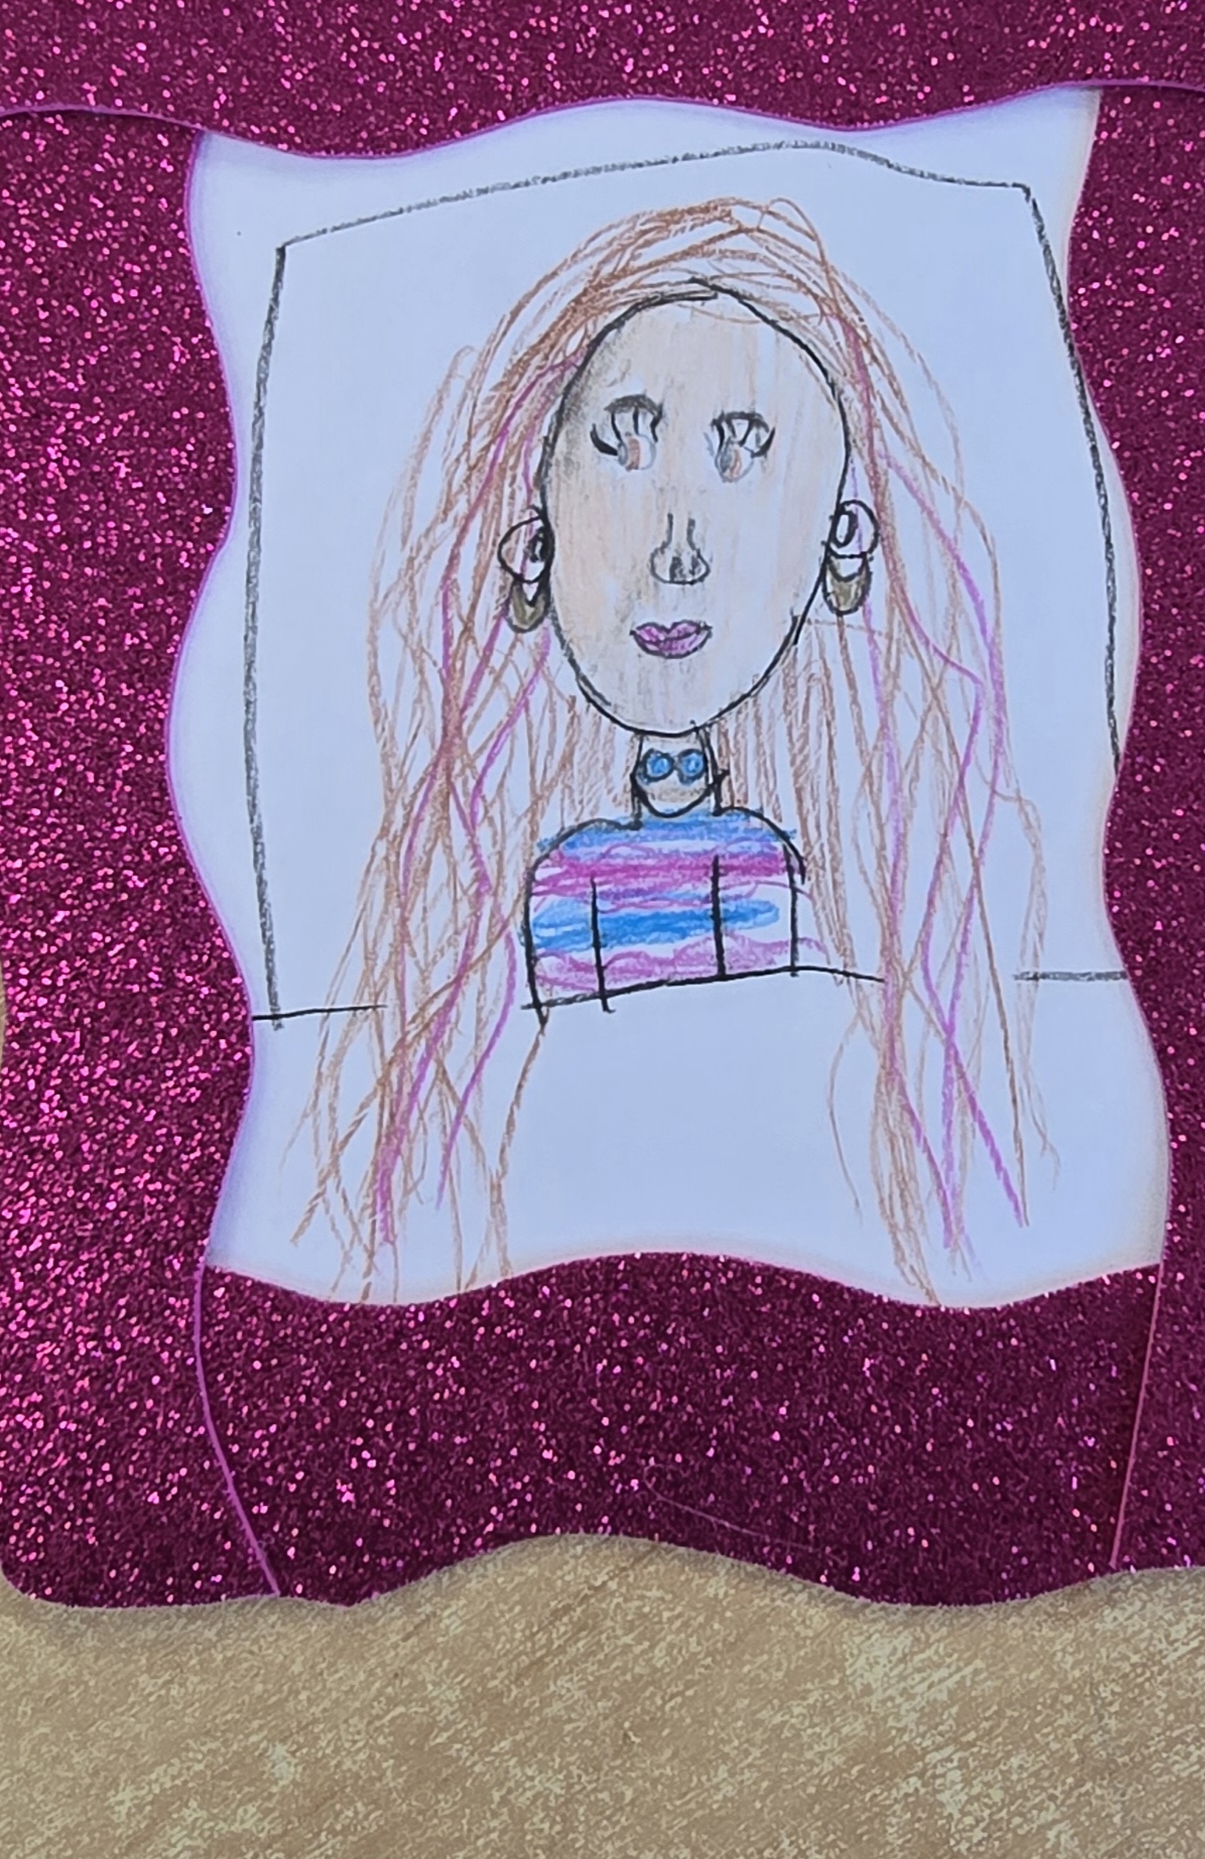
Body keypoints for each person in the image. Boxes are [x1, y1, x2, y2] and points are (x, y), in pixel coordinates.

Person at [310, 196, 1047, 1298]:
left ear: (840, 539)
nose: (677, 550)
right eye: (623, 452)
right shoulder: (538, 899)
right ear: (533, 541)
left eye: (744, 461)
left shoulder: (816, 904)